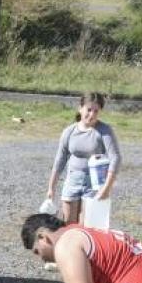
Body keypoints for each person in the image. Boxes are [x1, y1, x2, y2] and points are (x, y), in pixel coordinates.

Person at [46, 92, 121, 225]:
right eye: (89, 110)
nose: (92, 114)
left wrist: (106, 188)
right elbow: (60, 160)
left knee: (86, 226)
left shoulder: (104, 131)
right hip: (72, 181)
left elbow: (115, 158)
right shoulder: (69, 131)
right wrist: (51, 187)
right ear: (80, 108)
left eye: (96, 111)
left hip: (94, 185)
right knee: (68, 226)